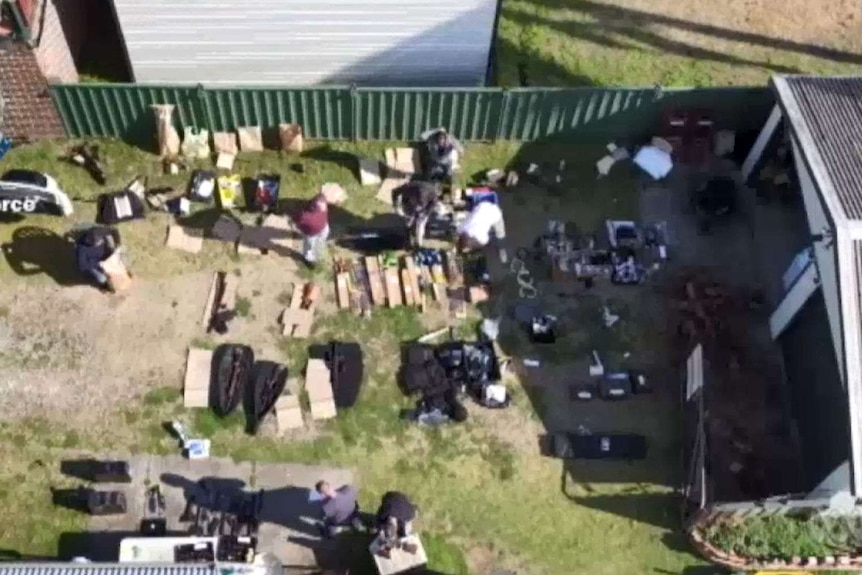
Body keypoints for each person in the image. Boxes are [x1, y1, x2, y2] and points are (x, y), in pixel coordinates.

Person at [293, 192, 338, 268]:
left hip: (317, 231)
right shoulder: (307, 215)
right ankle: (311, 257)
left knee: (313, 245)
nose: (325, 208)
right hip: (317, 231)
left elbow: (296, 221)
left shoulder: (307, 216)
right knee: (314, 245)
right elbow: (297, 221)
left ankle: (312, 255)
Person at [393, 181, 443, 248]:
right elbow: (395, 192)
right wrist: (396, 205)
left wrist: (425, 213)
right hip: (409, 203)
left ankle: (418, 242)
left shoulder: (432, 194)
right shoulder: (410, 187)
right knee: (408, 222)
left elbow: (432, 205)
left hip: (419, 205)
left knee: (420, 222)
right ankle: (406, 239)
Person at [457, 199, 508, 264]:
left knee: (500, 235)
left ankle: (502, 249)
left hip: (495, 214)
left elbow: (487, 240)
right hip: (482, 206)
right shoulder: (461, 229)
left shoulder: (481, 238)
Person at [74, 226, 119, 290]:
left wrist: (117, 245)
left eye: (101, 240)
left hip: (104, 257)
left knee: (120, 259)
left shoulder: (98, 232)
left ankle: (121, 278)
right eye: (98, 242)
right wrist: (98, 264)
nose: (101, 242)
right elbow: (82, 266)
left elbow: (114, 230)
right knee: (102, 278)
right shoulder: (82, 249)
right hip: (94, 264)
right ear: (91, 242)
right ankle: (105, 286)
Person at [374, 491, 419, 556]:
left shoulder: (406, 509)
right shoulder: (409, 512)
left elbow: (379, 521)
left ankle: (388, 547)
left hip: (393, 506)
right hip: (393, 512)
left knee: (392, 529)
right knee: (393, 529)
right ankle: (388, 547)